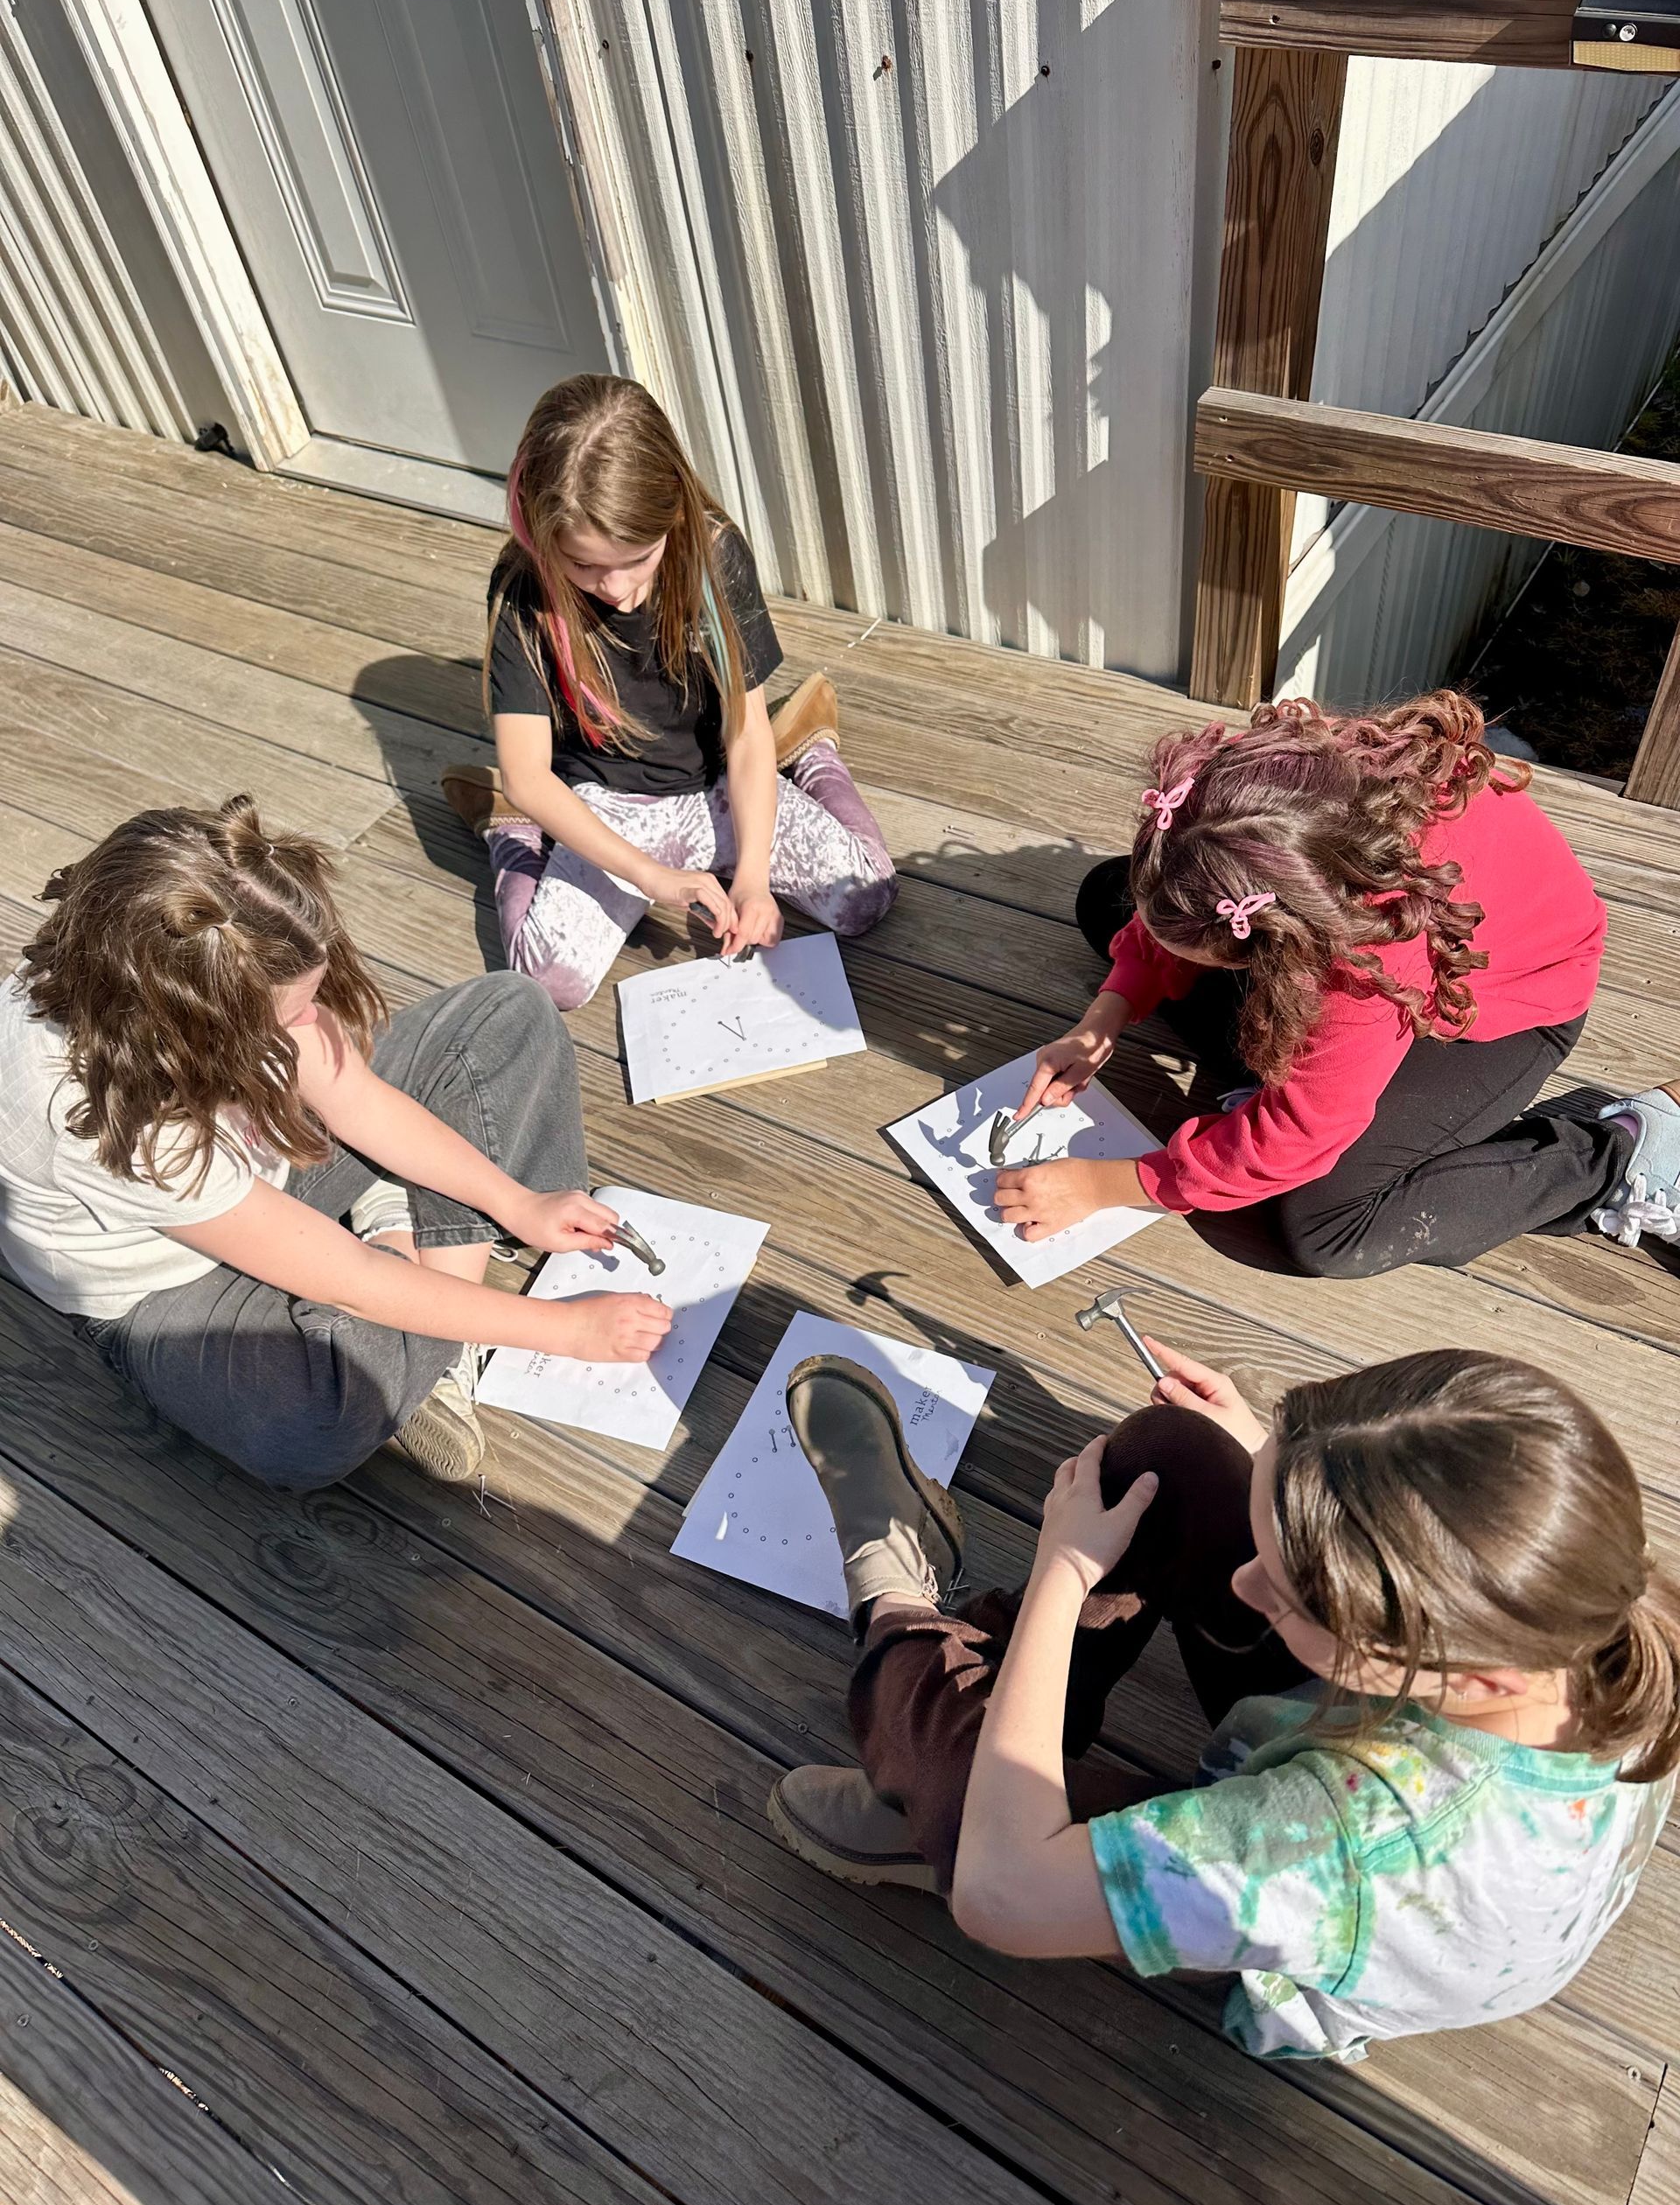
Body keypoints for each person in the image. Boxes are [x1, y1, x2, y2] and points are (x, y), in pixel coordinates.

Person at [766, 1343, 1679, 2062]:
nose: (1243, 1588)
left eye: (1284, 1593)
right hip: (1357, 1774)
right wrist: (1275, 1462)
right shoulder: (1584, 1604)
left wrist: (1062, 1573)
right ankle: (979, 1749)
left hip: (1298, 1926)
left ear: (1471, 1674)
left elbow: (1002, 1901)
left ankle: (894, 1611)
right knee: (1172, 1461)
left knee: (970, 1823)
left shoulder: (1339, 1846)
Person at [0, 797, 671, 1492]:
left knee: (511, 1011)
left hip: (269, 1167)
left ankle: (411, 1268)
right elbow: (352, 1281)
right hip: (166, 1284)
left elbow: (354, 1099)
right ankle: (422, 1267)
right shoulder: (103, 1120)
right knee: (308, 1428)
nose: (309, 1022)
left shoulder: (158, 953)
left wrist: (518, 1201)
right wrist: (564, 1333)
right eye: (289, 1016)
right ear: (196, 1024)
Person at [996, 691, 1680, 1275]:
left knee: (1321, 1225)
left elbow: (1295, 1138)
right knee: (1109, 896)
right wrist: (1103, 1019)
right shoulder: (1259, 795)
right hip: (1348, 945)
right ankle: (1314, 1070)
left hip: (1507, 1006)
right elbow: (1179, 903)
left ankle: (1613, 1153)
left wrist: (1110, 1183)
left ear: (1284, 948)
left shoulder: (1364, 964)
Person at [441, 373, 898, 1010]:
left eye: (637, 558)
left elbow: (744, 733)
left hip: (718, 784)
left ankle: (812, 752)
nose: (617, 588)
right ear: (542, 537)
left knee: (866, 896)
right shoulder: (523, 589)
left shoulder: (712, 556)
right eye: (584, 566)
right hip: (610, 806)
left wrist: (757, 881)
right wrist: (652, 878)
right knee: (549, 982)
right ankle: (509, 833)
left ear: (673, 514)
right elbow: (527, 775)